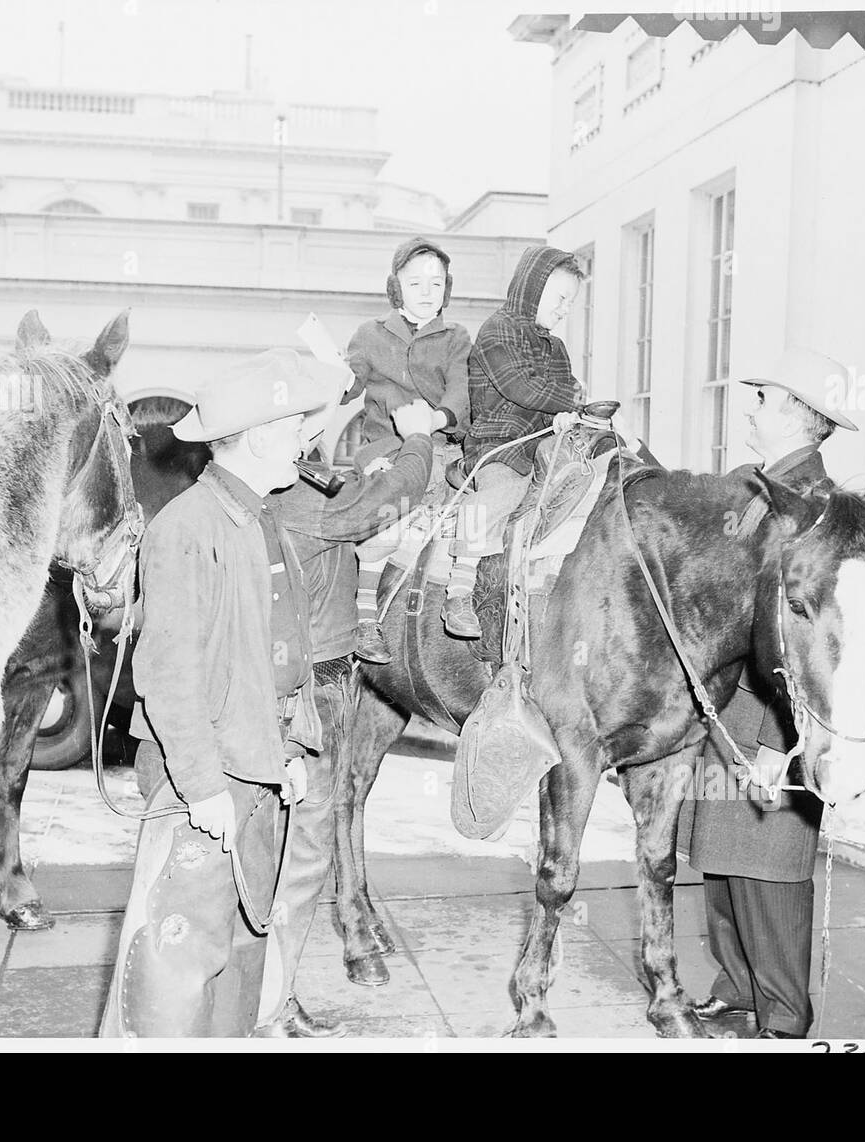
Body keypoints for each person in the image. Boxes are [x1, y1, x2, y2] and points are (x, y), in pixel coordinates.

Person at [98, 348, 336, 1039]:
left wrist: (289, 747)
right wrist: (203, 790)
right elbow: (169, 675)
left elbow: (274, 657)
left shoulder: (261, 520)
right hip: (201, 787)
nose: (304, 439)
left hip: (254, 777)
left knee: (237, 961)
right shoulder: (186, 529)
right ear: (261, 435)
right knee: (169, 976)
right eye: (296, 425)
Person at [676, 346, 859, 1039]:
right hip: (724, 712)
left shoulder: (818, 509)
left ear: (797, 417)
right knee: (723, 867)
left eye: (763, 400)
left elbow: (818, 648)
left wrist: (772, 744)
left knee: (770, 873)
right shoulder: (752, 490)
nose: (749, 411)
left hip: (769, 725)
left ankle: (783, 1014)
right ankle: (738, 986)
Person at [254, 398, 437, 1037]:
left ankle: (270, 998)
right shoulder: (297, 496)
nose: (313, 440)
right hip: (308, 690)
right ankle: (267, 1004)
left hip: (317, 680)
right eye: (307, 427)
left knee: (297, 848)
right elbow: (373, 504)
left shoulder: (294, 486)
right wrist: (418, 441)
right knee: (298, 851)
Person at [444, 245, 586, 638]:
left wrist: (562, 416)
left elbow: (559, 390)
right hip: (499, 444)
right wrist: (574, 400)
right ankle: (460, 584)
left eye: (570, 303)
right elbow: (521, 386)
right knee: (499, 493)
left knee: (581, 471)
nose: (564, 310)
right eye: (560, 299)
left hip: (538, 444)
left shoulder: (555, 347)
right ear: (534, 287)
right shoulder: (497, 330)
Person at [344, 236, 471, 660]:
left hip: (442, 449)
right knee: (388, 522)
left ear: (447, 291)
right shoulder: (369, 335)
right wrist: (339, 381)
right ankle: (365, 619)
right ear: (396, 288)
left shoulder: (456, 337)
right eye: (415, 283)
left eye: (436, 285)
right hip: (388, 449)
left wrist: (434, 421)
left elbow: (461, 391)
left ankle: (460, 595)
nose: (426, 293)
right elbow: (350, 383)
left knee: (474, 514)